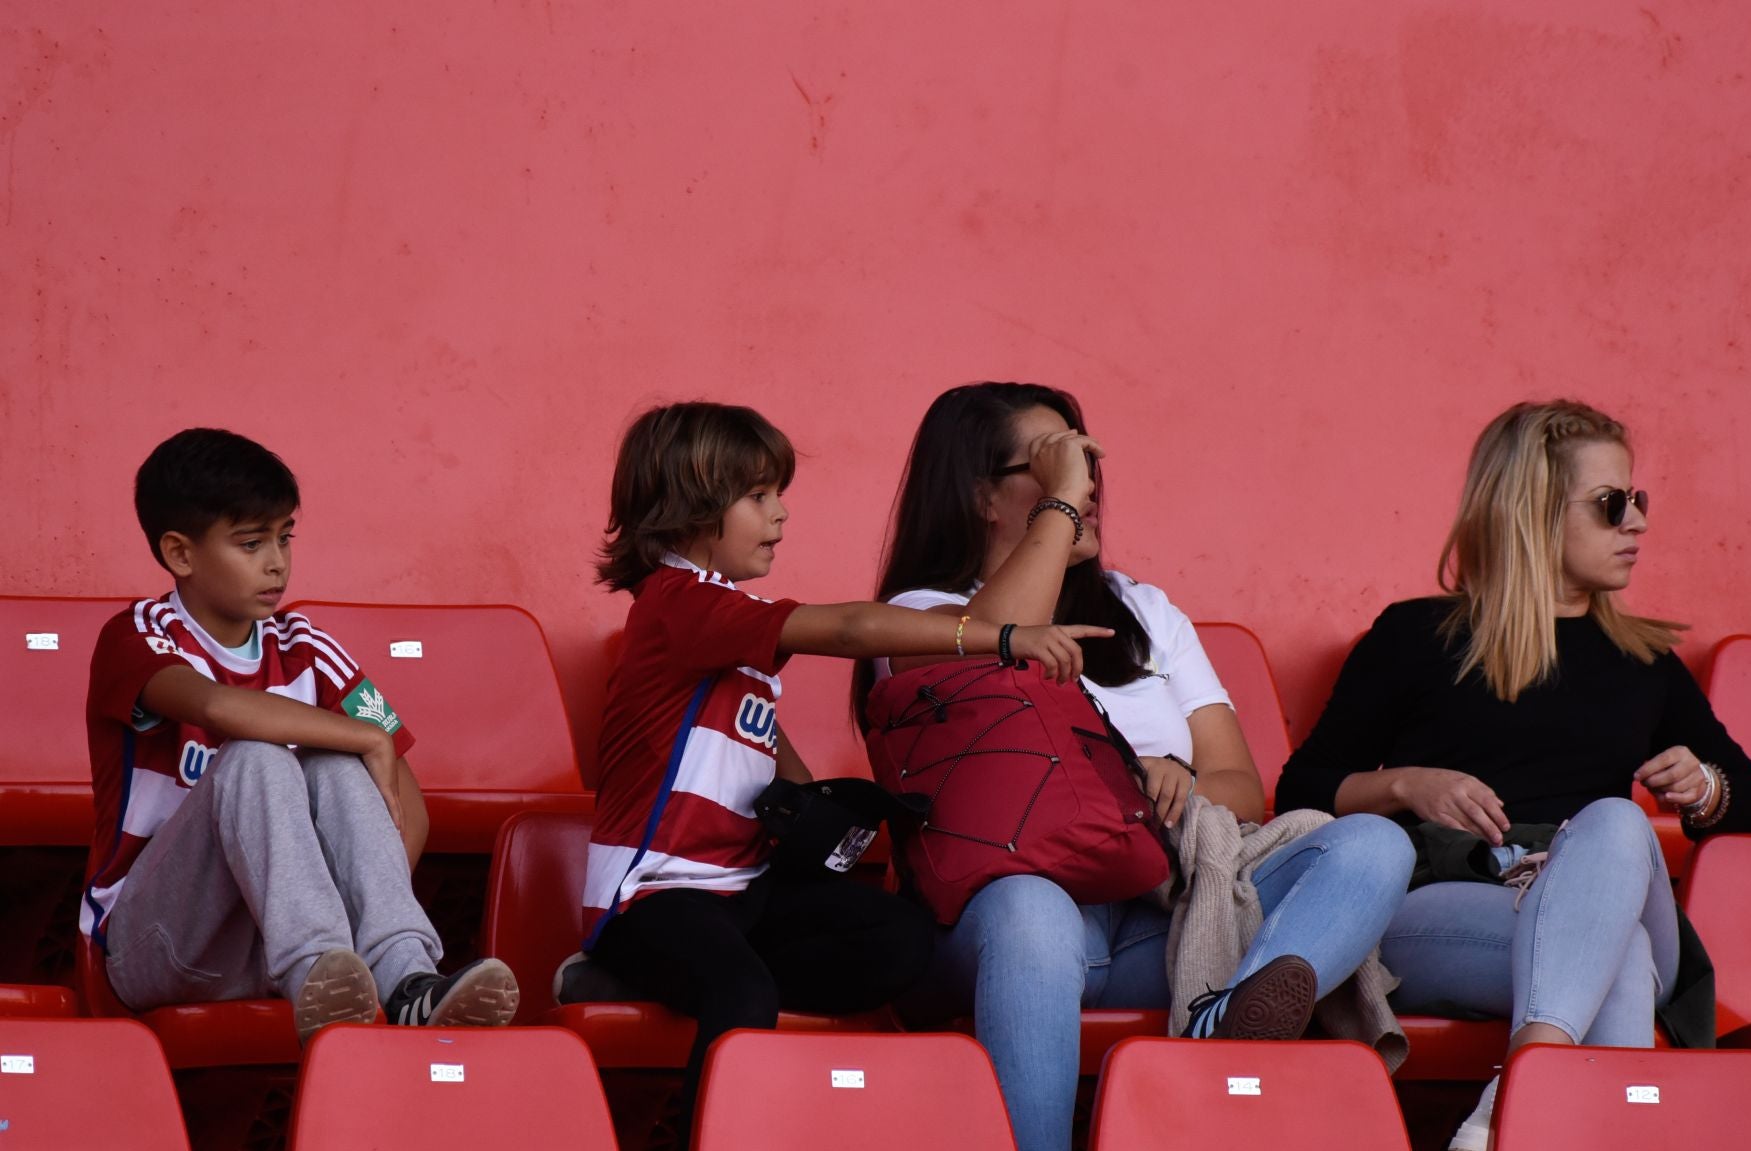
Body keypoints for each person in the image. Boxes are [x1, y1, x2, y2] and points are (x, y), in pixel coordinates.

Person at [857, 381, 1414, 1151]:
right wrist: (1060, 508)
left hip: (1169, 911)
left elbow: (1239, 784)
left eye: (1087, 467)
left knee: (1373, 845)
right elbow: (990, 651)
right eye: (1054, 467)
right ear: (979, 495)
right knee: (1031, 909)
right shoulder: (922, 616)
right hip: (1019, 930)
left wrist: (1180, 780)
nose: (1084, 489)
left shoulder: (1146, 612)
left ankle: (1222, 1022)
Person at [558, 400, 1106, 1114]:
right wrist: (1003, 639)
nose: (780, 514)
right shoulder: (677, 603)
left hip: (740, 889)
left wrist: (813, 808)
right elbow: (849, 626)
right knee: (742, 992)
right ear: (690, 509)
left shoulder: (724, 623)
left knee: (898, 942)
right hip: (655, 895)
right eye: (758, 497)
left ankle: (649, 983)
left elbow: (767, 756)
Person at [1274, 398, 1751, 1151]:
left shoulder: (1642, 661)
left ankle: (1525, 1084)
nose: (1636, 522)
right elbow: (1300, 789)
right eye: (1612, 505)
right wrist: (1407, 784)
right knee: (1622, 956)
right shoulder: (1416, 639)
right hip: (1456, 903)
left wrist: (1706, 787)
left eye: (1639, 501)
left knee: (1613, 821)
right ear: (1535, 513)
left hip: (1587, 884)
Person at [83, 428, 519, 1042]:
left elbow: (405, 805)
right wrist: (365, 736)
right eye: (250, 543)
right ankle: (319, 965)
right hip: (157, 945)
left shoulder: (307, 646)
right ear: (181, 554)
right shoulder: (136, 636)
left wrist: (365, 896)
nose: (277, 562)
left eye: (285, 537)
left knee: (338, 767)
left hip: (276, 950)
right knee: (262, 757)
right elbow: (216, 705)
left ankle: (406, 979)